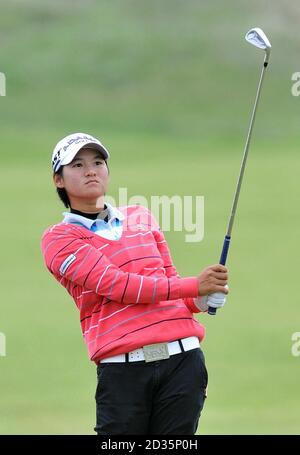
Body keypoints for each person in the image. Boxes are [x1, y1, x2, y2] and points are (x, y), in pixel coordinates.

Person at [41, 132, 229, 435]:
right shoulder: (59, 239)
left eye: (98, 162)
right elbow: (117, 285)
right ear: (58, 180)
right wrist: (195, 285)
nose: (90, 170)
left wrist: (204, 300)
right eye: (77, 165)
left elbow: (170, 285)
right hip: (122, 370)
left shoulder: (140, 216)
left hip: (183, 362)